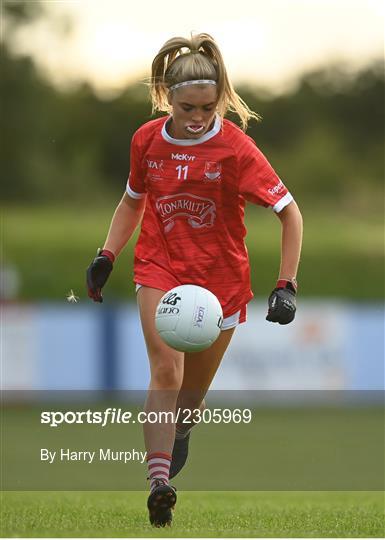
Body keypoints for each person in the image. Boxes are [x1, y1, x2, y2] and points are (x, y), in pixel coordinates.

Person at [86, 33, 303, 527]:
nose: (198, 117)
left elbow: (291, 215)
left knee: (189, 400)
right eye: (187, 107)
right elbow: (132, 201)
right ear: (166, 97)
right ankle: (159, 483)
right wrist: (107, 254)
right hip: (159, 267)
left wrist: (286, 284)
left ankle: (179, 433)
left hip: (221, 283)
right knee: (167, 372)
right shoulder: (146, 140)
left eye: (208, 107)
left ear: (221, 98)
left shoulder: (236, 149)